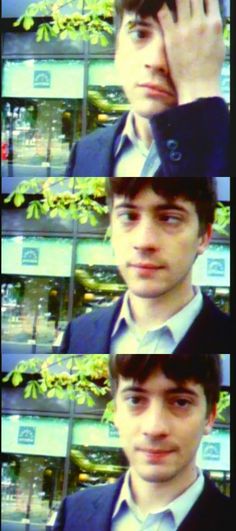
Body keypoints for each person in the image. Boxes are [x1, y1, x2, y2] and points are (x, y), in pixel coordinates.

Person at [53, 354, 230, 531]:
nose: (154, 428)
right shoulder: (74, 512)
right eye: (135, 400)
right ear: (115, 412)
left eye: (181, 402)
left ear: (209, 416)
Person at [60, 177, 230, 354]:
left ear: (204, 237)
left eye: (170, 218)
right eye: (128, 216)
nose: (144, 242)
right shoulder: (78, 333)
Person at [66, 0, 229, 177]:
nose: (155, 61)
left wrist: (200, 94)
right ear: (117, 51)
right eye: (139, 34)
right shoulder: (84, 152)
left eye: (181, 41)